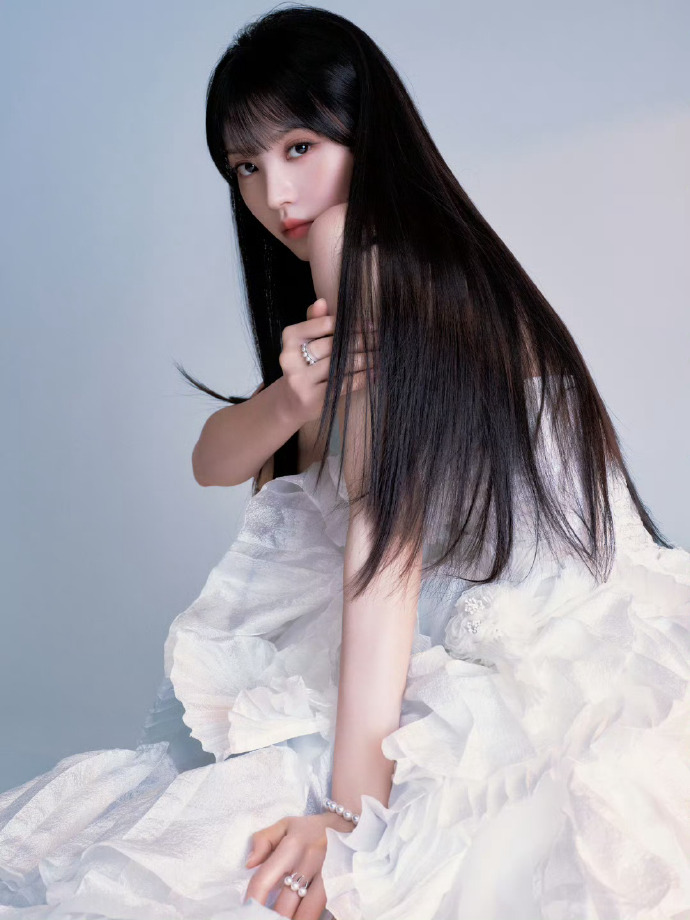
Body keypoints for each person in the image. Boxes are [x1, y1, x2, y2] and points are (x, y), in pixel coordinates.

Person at [1, 5, 689, 920]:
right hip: (599, 648)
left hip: (506, 662)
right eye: (245, 167)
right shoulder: (438, 262)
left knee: (204, 851)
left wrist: (350, 816)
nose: (274, 195)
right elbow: (214, 461)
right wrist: (289, 402)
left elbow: (386, 540)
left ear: (367, 135)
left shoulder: (353, 248)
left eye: (298, 148)